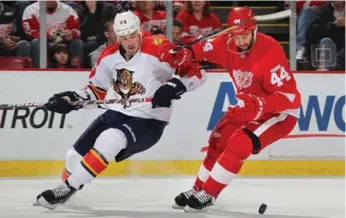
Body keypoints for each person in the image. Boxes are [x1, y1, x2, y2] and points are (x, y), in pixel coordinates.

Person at [33, 10, 206, 210]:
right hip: (116, 113)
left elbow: (198, 74)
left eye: (133, 35)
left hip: (149, 121)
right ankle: (70, 186)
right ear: (116, 36)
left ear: (140, 31)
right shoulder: (108, 57)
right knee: (74, 156)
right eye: (124, 37)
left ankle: (66, 189)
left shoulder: (159, 47)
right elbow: (95, 91)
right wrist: (71, 100)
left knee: (110, 139)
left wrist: (175, 86)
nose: (130, 42)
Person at [160, 7, 302, 212]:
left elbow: (291, 98)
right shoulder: (226, 43)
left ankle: (209, 193)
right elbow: (198, 50)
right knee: (218, 140)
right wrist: (182, 53)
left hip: (279, 114)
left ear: (255, 29)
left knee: (240, 142)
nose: (241, 41)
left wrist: (262, 105)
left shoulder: (270, 51)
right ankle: (198, 188)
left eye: (245, 36)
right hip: (250, 107)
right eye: (237, 36)